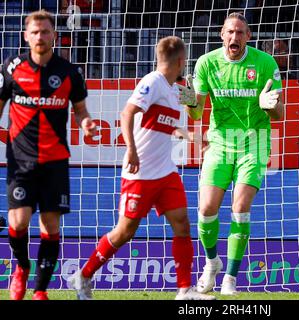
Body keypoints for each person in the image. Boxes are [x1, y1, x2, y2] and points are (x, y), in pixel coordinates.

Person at [67, 36, 216, 301]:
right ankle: (84, 275)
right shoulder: (152, 82)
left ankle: (184, 290)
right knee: (125, 232)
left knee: (182, 223)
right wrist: (132, 150)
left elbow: (164, 124)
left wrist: (190, 136)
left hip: (166, 172)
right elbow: (127, 113)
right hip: (140, 173)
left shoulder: (172, 90)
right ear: (181, 61)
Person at [178, 12, 284, 295]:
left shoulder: (265, 63)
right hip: (220, 144)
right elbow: (198, 112)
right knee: (206, 209)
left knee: (240, 208)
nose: (234, 37)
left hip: (255, 142)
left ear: (248, 36)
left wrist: (267, 104)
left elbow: (279, 114)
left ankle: (230, 279)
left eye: (240, 33)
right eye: (230, 32)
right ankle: (212, 263)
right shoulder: (207, 63)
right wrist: (189, 100)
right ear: (221, 35)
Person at [0, 10, 97, 300]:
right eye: (35, 32)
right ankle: (21, 267)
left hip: (55, 161)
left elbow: (81, 112)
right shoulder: (11, 68)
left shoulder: (69, 72)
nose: (40, 37)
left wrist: (87, 125)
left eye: (45, 31)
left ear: (54, 34)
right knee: (18, 222)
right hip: (21, 159)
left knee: (51, 225)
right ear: (26, 36)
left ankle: (40, 291)